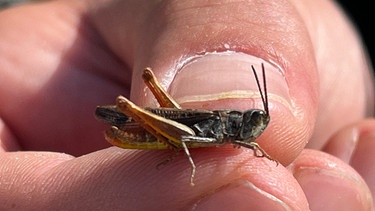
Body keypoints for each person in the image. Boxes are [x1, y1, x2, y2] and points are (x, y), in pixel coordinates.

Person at [0, 0, 373, 210]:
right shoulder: (225, 120)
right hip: (175, 131)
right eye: (254, 122)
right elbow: (199, 137)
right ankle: (131, 112)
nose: (258, 129)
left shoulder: (246, 138)